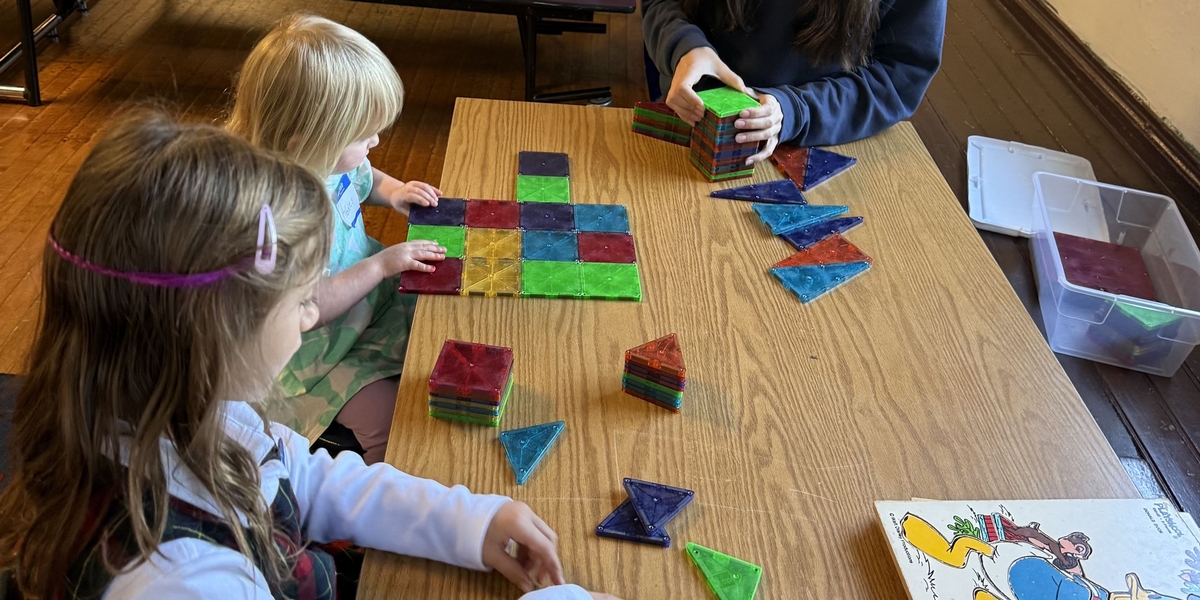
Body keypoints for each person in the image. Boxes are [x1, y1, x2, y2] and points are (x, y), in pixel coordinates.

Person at [0, 113, 615, 600]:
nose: (309, 319)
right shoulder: (181, 582)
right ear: (215, 333)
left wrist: (472, 521)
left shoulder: (193, 411)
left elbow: (310, 480)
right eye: (300, 304)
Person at [228, 14, 447, 464]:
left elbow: (365, 176)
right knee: (397, 425)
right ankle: (350, 504)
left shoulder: (327, 159)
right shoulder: (274, 219)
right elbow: (306, 311)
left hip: (368, 307)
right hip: (312, 361)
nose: (376, 139)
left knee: (438, 337)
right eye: (363, 134)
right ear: (305, 139)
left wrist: (395, 191)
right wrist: (382, 265)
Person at [643, 0, 946, 162]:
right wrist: (685, 46)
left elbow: (899, 76)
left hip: (825, 141)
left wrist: (795, 110)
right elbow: (661, 4)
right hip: (694, 125)